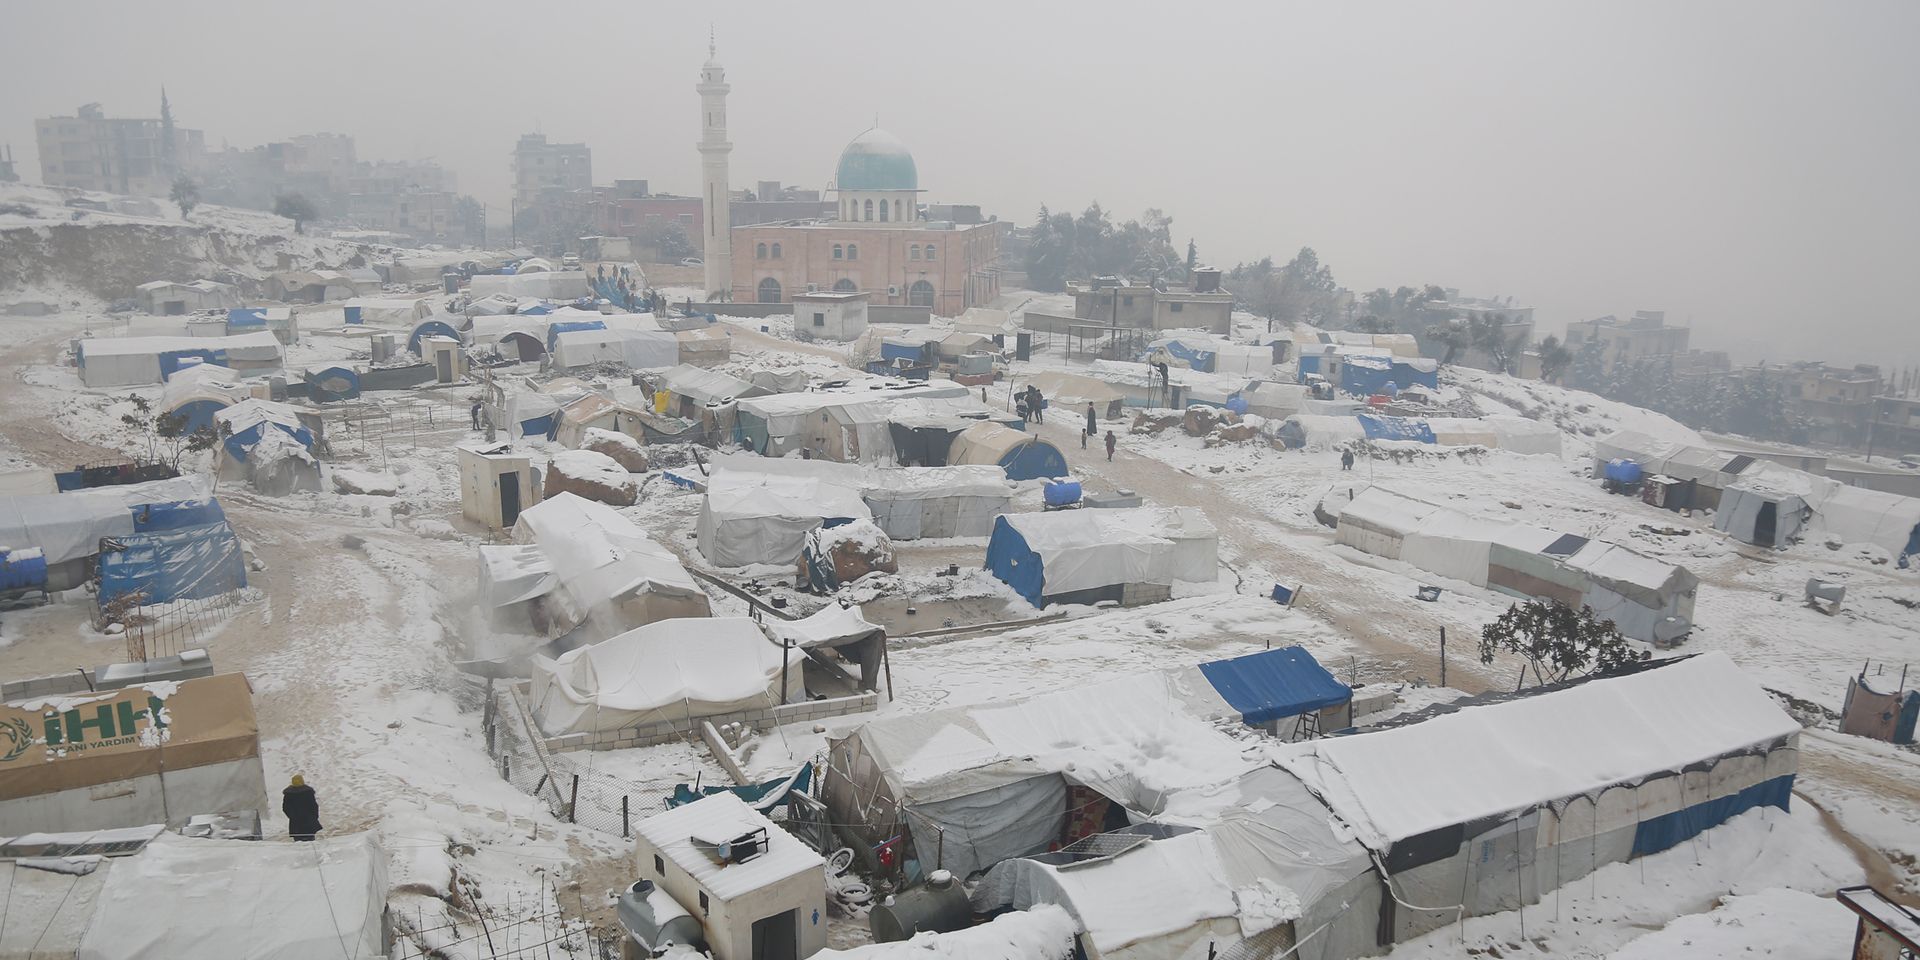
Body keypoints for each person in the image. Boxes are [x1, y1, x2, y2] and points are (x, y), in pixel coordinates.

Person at [282, 774, 322, 841]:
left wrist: (292, 816)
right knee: (310, 842)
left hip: (296, 823)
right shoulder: (308, 792)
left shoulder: (289, 794)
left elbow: (285, 808)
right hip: (309, 821)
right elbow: (314, 806)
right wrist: (314, 817)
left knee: (298, 843)